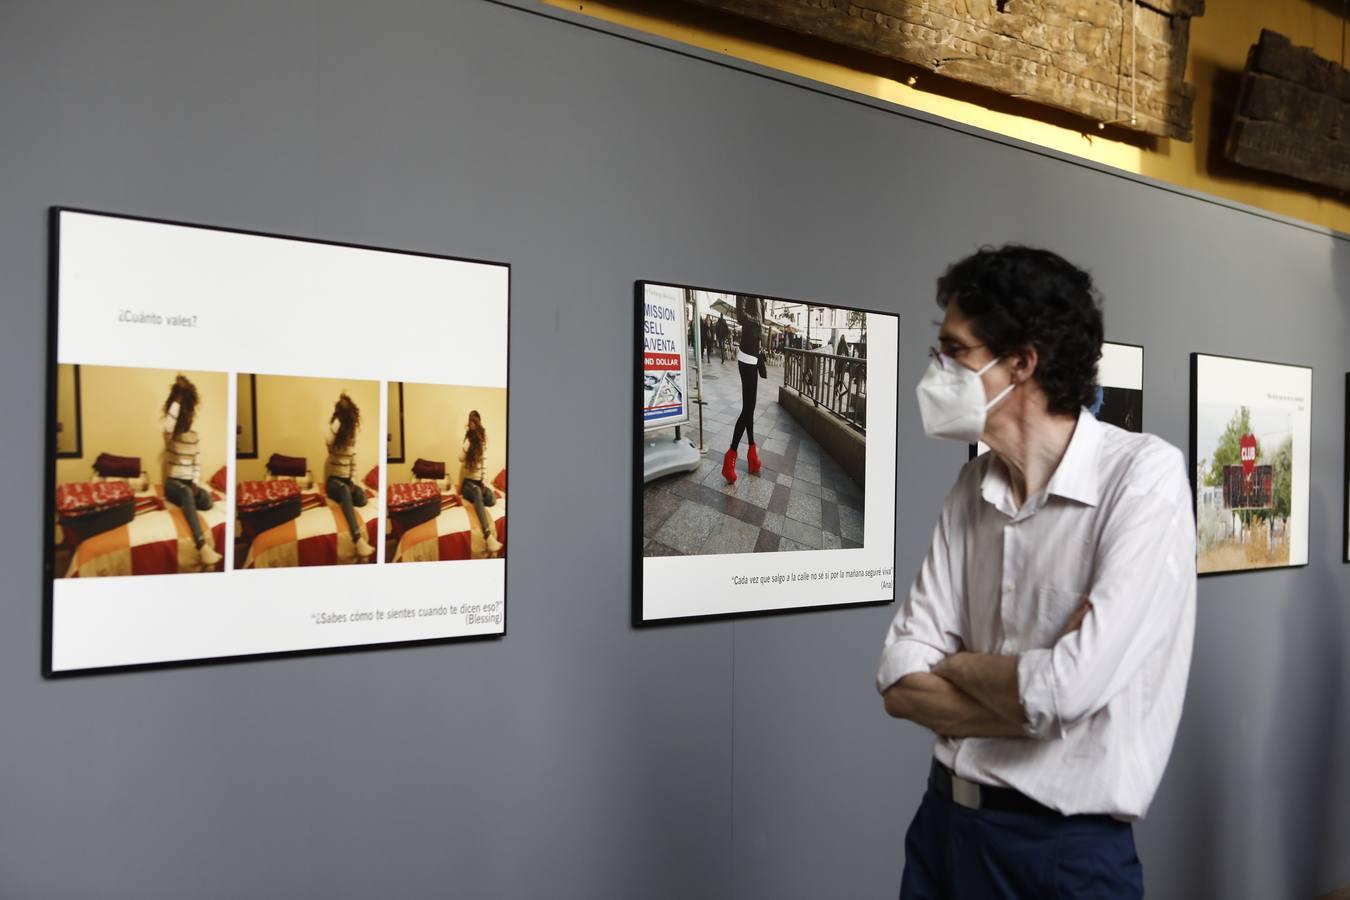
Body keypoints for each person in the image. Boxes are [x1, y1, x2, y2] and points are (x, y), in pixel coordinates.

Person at [877, 246, 1195, 899]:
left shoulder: (1144, 478)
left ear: (1021, 363)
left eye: (954, 351)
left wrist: (959, 664)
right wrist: (1036, 687)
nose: (937, 370)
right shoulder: (973, 484)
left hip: (1061, 856)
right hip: (943, 829)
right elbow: (898, 679)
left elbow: (1067, 691)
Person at [161, 375, 222, 568]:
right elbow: (169, 424)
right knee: (185, 493)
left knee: (207, 500)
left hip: (188, 484)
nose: (187, 418)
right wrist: (178, 399)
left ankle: (189, 501)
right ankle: (201, 544)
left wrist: (196, 482)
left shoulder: (194, 436)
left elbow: (197, 462)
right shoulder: (170, 435)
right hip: (173, 484)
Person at [325, 393, 375, 560]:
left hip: (347, 482)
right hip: (333, 482)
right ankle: (357, 538)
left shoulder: (352, 438)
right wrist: (339, 416)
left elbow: (353, 462)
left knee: (362, 498)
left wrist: (353, 481)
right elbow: (328, 438)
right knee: (345, 492)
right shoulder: (333, 438)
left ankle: (346, 498)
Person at [721, 296, 765, 484]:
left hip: (753, 356)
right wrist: (759, 320)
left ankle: (752, 455)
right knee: (748, 409)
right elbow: (740, 316)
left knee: (750, 408)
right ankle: (730, 457)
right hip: (747, 356)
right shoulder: (745, 291)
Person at [458, 410, 503, 554]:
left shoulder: (482, 441)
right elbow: (460, 458)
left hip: (479, 483)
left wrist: (484, 483)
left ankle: (479, 497)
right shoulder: (467, 440)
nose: (472, 423)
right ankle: (487, 535)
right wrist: (467, 445)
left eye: (475, 420)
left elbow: (484, 463)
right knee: (476, 492)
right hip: (467, 485)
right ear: (468, 422)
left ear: (478, 423)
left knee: (491, 500)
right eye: (470, 420)